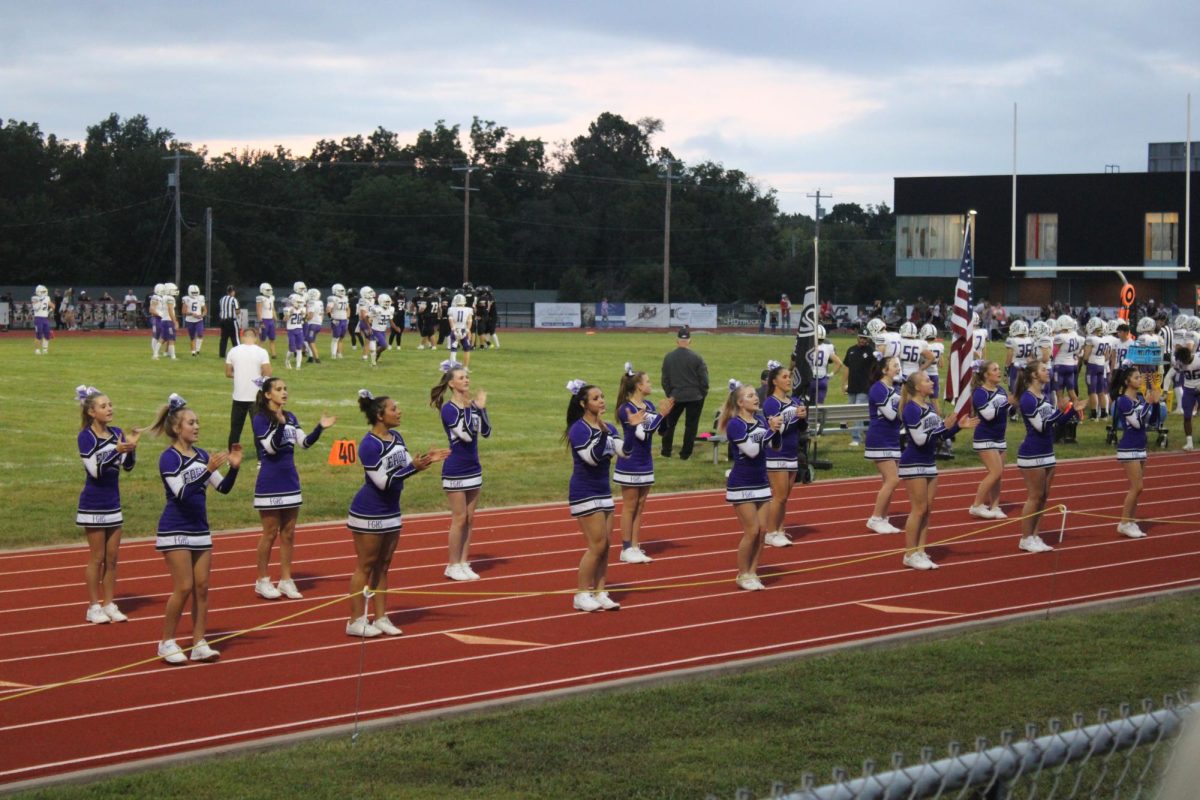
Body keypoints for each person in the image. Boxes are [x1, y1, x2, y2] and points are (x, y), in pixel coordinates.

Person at [149, 393, 242, 664]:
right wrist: (205, 470)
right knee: (184, 586)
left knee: (202, 587)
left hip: (199, 529)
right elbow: (180, 493)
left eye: (198, 422)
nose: (197, 426)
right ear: (178, 428)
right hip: (175, 528)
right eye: (191, 422)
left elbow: (222, 488)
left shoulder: (202, 455)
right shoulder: (169, 458)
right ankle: (166, 642)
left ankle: (199, 641)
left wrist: (234, 469)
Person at [346, 390, 447, 637]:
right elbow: (382, 482)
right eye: (393, 409)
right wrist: (413, 468)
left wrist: (424, 461)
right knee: (366, 565)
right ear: (380, 416)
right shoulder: (369, 445)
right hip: (369, 511)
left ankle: (380, 617)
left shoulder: (397, 437)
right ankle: (355, 620)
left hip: (391, 510)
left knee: (384, 565)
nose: (399, 412)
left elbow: (402, 468)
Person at [251, 377, 335, 600]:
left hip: (290, 480)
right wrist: (279, 425)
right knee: (269, 533)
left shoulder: (291, 417)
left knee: (288, 533)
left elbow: (304, 443)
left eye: (285, 388)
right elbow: (271, 448)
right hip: (270, 481)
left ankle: (286, 580)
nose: (284, 392)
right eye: (279, 389)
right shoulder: (260, 419)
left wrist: (320, 428)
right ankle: (262, 580)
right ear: (268, 394)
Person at [76, 386, 140, 623]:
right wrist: (116, 451)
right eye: (104, 406)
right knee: (97, 556)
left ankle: (109, 603)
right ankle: (93, 606)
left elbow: (128, 466)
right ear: (92, 412)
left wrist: (131, 448)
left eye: (110, 404)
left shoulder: (116, 433)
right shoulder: (86, 436)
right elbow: (94, 470)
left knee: (113, 558)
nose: (109, 409)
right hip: (93, 503)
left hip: (113, 502)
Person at [898, 370, 973, 569]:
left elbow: (937, 435)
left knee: (927, 510)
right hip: (913, 462)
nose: (931, 382)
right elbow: (920, 439)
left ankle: (921, 551)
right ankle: (909, 554)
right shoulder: (911, 409)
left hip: (928, 462)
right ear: (917, 387)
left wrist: (957, 427)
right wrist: (943, 427)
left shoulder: (929, 406)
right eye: (927, 380)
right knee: (918, 509)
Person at [564, 380, 624, 612]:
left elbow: (624, 452)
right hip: (584, 491)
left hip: (603, 490)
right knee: (596, 545)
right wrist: (602, 435)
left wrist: (641, 428)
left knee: (606, 545)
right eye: (596, 398)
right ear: (583, 404)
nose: (602, 401)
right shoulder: (578, 429)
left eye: (602, 397)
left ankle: (600, 591)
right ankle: (581, 594)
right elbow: (591, 458)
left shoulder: (609, 427)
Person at [718, 379, 782, 590]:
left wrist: (776, 429)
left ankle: (753, 572)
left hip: (761, 482)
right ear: (740, 403)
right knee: (752, 531)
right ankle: (742, 574)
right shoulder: (735, 424)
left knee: (763, 531)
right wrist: (769, 432)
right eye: (750, 396)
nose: (755, 398)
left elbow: (774, 446)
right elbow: (752, 451)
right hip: (742, 484)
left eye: (755, 394)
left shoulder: (762, 421)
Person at [431, 362, 491, 581]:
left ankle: (464, 561)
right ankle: (452, 564)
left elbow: (486, 431)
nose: (466, 380)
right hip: (456, 468)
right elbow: (465, 435)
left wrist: (481, 409)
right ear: (451, 383)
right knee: (460, 517)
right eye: (461, 377)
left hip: (474, 467)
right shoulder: (449, 409)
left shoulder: (473, 405)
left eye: (467, 377)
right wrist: (469, 408)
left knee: (471, 518)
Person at [1015, 362, 1078, 554]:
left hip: (1047, 452)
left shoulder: (1043, 397)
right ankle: (1025, 538)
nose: (1047, 371)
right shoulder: (1027, 399)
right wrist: (1061, 410)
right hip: (1032, 452)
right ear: (1034, 375)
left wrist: (1072, 410)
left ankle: (1035, 535)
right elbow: (1041, 426)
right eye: (1043, 370)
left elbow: (1056, 422)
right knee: (1034, 497)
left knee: (1043, 497)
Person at [613, 363, 673, 563]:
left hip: (646, 461)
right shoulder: (626, 409)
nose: (651, 384)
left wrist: (665, 418)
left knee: (640, 506)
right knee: (629, 506)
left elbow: (659, 431)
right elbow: (641, 433)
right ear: (638, 386)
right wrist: (661, 416)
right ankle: (625, 547)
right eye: (648, 381)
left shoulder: (650, 407)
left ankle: (636, 546)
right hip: (630, 462)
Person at [1111, 364, 1161, 539]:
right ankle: (1124, 522)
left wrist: (1155, 404)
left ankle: (1130, 521)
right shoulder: (1123, 400)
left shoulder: (1138, 400)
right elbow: (1137, 423)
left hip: (1141, 446)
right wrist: (1148, 404)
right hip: (1129, 447)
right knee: (1137, 487)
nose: (1139, 380)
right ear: (1127, 381)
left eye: (1140, 377)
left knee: (1137, 488)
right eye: (1136, 378)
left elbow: (1151, 421)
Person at [762, 361, 807, 548]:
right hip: (776, 452)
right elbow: (778, 429)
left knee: (785, 497)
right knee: (779, 496)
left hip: (791, 452)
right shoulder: (771, 403)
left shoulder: (795, 401)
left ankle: (780, 529)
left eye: (790, 377)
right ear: (775, 381)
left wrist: (803, 417)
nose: (789, 380)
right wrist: (795, 416)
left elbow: (801, 428)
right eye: (784, 377)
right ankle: (770, 532)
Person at [864, 354, 903, 533]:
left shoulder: (894, 389)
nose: (898, 368)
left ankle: (883, 517)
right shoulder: (878, 389)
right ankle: (875, 518)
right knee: (893, 479)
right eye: (895, 365)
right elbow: (892, 414)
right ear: (884, 370)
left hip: (893, 437)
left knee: (890, 480)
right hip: (880, 437)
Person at [659, 327, 709, 460]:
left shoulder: (669, 357)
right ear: (690, 341)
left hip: (676, 395)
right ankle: (686, 454)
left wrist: (671, 393)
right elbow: (704, 380)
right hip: (695, 396)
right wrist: (702, 393)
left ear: (677, 341)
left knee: (670, 423)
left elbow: (665, 379)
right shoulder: (697, 357)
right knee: (691, 426)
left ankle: (666, 451)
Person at [968, 361, 1009, 519]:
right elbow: (988, 415)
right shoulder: (980, 393)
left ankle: (995, 506)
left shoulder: (1001, 390)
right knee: (995, 471)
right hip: (985, 436)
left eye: (999, 368)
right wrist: (1006, 403)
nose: (999, 372)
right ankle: (976, 505)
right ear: (986, 374)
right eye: (995, 369)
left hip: (1000, 437)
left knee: (999, 475)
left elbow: (1007, 410)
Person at [225, 326, 272, 449]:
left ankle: (232, 457)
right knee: (258, 429)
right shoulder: (262, 352)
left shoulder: (233, 351)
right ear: (255, 338)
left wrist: (240, 375)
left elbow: (228, 373)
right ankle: (261, 459)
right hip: (255, 397)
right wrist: (256, 381)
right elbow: (268, 373)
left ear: (242, 337)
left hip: (238, 396)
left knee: (235, 429)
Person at [842, 330, 876, 446]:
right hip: (852, 386)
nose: (863, 340)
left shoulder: (871, 351)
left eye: (865, 338)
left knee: (857, 411)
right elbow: (847, 368)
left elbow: (876, 369)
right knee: (853, 412)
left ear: (868, 339)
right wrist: (843, 384)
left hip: (864, 387)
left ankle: (856, 438)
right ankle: (869, 433)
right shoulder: (851, 350)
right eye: (861, 337)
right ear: (857, 337)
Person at [447, 293, 474, 368]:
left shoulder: (451, 309)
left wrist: (454, 331)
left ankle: (452, 366)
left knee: (453, 348)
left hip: (455, 329)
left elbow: (451, 320)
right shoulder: (469, 310)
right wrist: (467, 331)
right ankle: (465, 367)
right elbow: (469, 321)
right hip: (464, 330)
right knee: (467, 349)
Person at [327, 283, 350, 359]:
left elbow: (348, 308)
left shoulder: (345, 298)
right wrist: (332, 319)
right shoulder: (332, 298)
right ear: (335, 291)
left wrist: (347, 318)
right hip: (336, 320)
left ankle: (339, 353)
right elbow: (328, 310)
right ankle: (333, 354)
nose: (342, 292)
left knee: (341, 337)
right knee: (335, 338)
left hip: (344, 320)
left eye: (342, 291)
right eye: (340, 291)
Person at [183, 285, 207, 356]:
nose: (194, 294)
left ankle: (197, 350)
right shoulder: (186, 299)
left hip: (199, 320)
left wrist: (202, 315)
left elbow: (205, 310)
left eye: (195, 292)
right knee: (192, 337)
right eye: (193, 292)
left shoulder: (201, 298)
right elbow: (184, 311)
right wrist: (192, 314)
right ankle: (193, 352)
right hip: (190, 320)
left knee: (200, 334)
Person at [256, 283, 278, 359]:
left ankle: (273, 354)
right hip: (264, 320)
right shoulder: (260, 298)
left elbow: (273, 309)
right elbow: (258, 311)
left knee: (272, 338)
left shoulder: (271, 298)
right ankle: (256, 354)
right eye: (267, 290)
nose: (269, 291)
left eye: (270, 290)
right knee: (262, 339)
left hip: (270, 320)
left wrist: (275, 318)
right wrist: (260, 321)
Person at [217, 285, 240, 357]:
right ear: (233, 292)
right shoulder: (233, 299)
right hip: (231, 321)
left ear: (227, 291)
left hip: (223, 321)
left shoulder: (221, 299)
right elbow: (237, 311)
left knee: (223, 338)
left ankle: (222, 354)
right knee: (235, 338)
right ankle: (238, 353)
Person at [159, 283, 180, 360]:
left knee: (163, 338)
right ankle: (173, 356)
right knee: (172, 338)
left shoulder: (164, 297)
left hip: (164, 319)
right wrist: (175, 321)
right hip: (168, 320)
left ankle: (155, 354)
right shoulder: (170, 298)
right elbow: (170, 310)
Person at [303, 288, 324, 363]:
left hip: (312, 324)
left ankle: (317, 359)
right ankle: (310, 357)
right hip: (318, 323)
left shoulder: (312, 302)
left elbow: (310, 315)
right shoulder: (320, 302)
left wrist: (303, 320)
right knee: (307, 340)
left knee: (310, 341)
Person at [31, 284, 53, 355]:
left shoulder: (47, 298)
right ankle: (37, 350)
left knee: (47, 334)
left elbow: (52, 305)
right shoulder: (34, 298)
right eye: (42, 292)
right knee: (38, 334)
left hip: (45, 318)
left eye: (44, 292)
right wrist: (40, 300)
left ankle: (45, 349)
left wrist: (50, 311)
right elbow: (35, 308)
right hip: (38, 318)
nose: (44, 293)